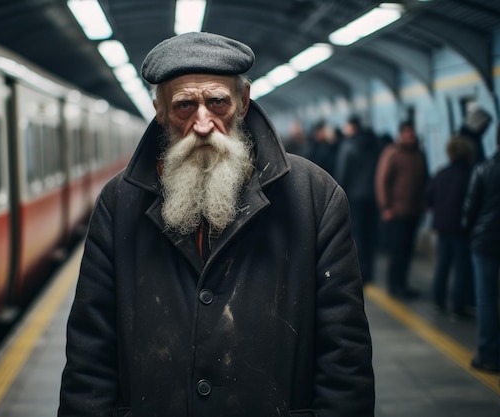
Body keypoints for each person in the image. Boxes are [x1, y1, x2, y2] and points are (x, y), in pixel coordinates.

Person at [59, 32, 374, 416]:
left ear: (243, 102)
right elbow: (90, 354)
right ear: (159, 110)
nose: (203, 122)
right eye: (184, 106)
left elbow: (345, 359)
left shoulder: (314, 196)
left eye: (217, 102)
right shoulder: (119, 202)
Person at [462, 122, 500, 388]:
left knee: (487, 300)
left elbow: (470, 206)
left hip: (484, 242)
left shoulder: (484, 168)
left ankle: (487, 355)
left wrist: (469, 232)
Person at [375, 121, 428, 298]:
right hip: (396, 211)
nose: (410, 136)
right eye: (406, 132)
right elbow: (382, 181)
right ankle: (394, 284)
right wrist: (386, 207)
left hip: (414, 211)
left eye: (412, 132)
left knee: (407, 250)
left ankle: (403, 284)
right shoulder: (392, 154)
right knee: (397, 250)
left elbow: (424, 180)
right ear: (400, 135)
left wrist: (423, 205)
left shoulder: (419, 154)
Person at [425, 136, 474, 317]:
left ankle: (438, 300)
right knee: (461, 267)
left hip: (441, 225)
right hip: (460, 228)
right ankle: (457, 306)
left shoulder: (441, 173)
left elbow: (428, 194)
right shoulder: (469, 174)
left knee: (443, 264)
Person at [334, 116, 381, 284]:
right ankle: (370, 271)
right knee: (370, 235)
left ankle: (361, 273)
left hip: (354, 197)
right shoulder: (375, 145)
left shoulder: (348, 146)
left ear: (352, 127)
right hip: (372, 196)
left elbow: (343, 173)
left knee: (357, 236)